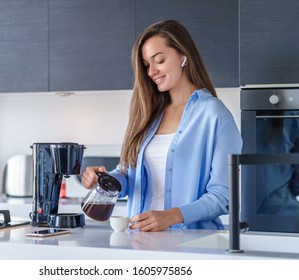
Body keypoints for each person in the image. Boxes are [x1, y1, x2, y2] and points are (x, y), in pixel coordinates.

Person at [81, 20, 242, 231]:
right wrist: (105, 179)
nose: (151, 72)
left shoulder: (214, 115)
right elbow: (131, 176)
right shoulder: (149, 115)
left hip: (193, 244)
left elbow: (224, 196)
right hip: (140, 239)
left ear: (183, 55)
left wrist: (173, 216)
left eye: (159, 60)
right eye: (147, 65)